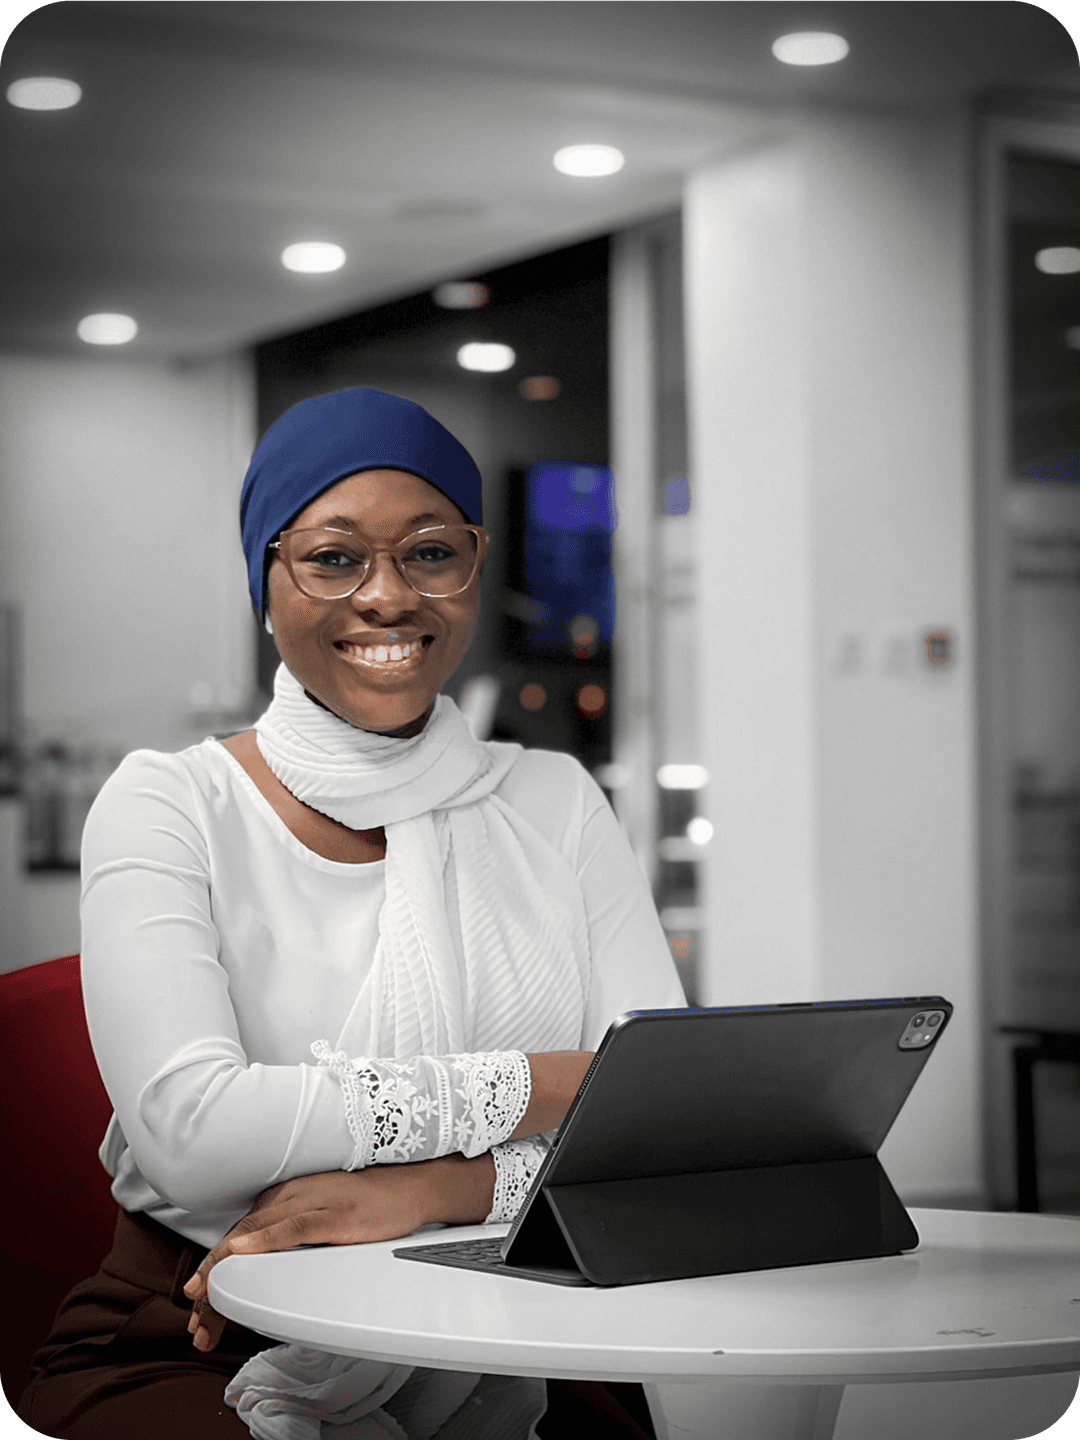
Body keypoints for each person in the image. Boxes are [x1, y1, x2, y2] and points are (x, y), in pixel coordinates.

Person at [18, 386, 685, 1440]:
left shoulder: (552, 798)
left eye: (430, 552)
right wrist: (533, 1087)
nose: (388, 595)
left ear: (474, 562)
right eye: (333, 558)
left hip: (522, 1321)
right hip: (202, 1330)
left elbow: (661, 1128)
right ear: (266, 581)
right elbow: (194, 1135)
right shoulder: (172, 801)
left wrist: (426, 1191)